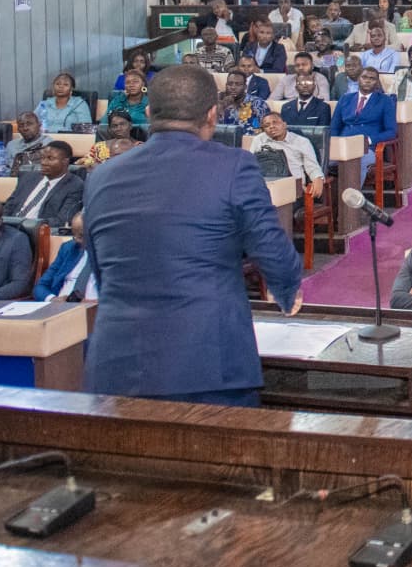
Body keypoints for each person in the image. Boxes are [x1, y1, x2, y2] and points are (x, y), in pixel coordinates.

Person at [82, 66, 305, 406]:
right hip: (207, 365)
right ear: (213, 115)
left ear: (149, 113)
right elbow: (271, 250)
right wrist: (287, 291)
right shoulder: (234, 166)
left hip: (117, 365)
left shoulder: (101, 176)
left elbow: (100, 270)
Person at [4, 140, 86, 226]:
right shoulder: (28, 177)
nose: (43, 162)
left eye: (50, 158)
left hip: (38, 231)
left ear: (65, 161)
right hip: (10, 227)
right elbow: (9, 206)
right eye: (42, 158)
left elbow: (62, 220)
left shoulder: (75, 185)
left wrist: (28, 224)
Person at [249, 111, 324, 193]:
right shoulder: (258, 140)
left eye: (275, 123)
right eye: (267, 125)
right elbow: (250, 165)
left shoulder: (301, 142)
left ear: (284, 124)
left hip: (293, 188)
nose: (272, 127)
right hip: (264, 187)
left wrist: (318, 179)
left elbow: (312, 167)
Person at [33, 212, 98, 301]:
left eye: (81, 235)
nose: (77, 240)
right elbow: (40, 287)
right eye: (74, 235)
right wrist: (53, 299)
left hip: (93, 309)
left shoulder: (112, 254)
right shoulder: (69, 249)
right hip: (60, 306)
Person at [334, 68, 398, 146]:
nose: (367, 81)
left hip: (366, 147)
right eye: (364, 77)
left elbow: (391, 132)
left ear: (377, 82)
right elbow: (334, 127)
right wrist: (335, 144)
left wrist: (369, 140)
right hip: (343, 144)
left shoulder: (385, 101)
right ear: (358, 79)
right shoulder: (345, 99)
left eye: (372, 78)